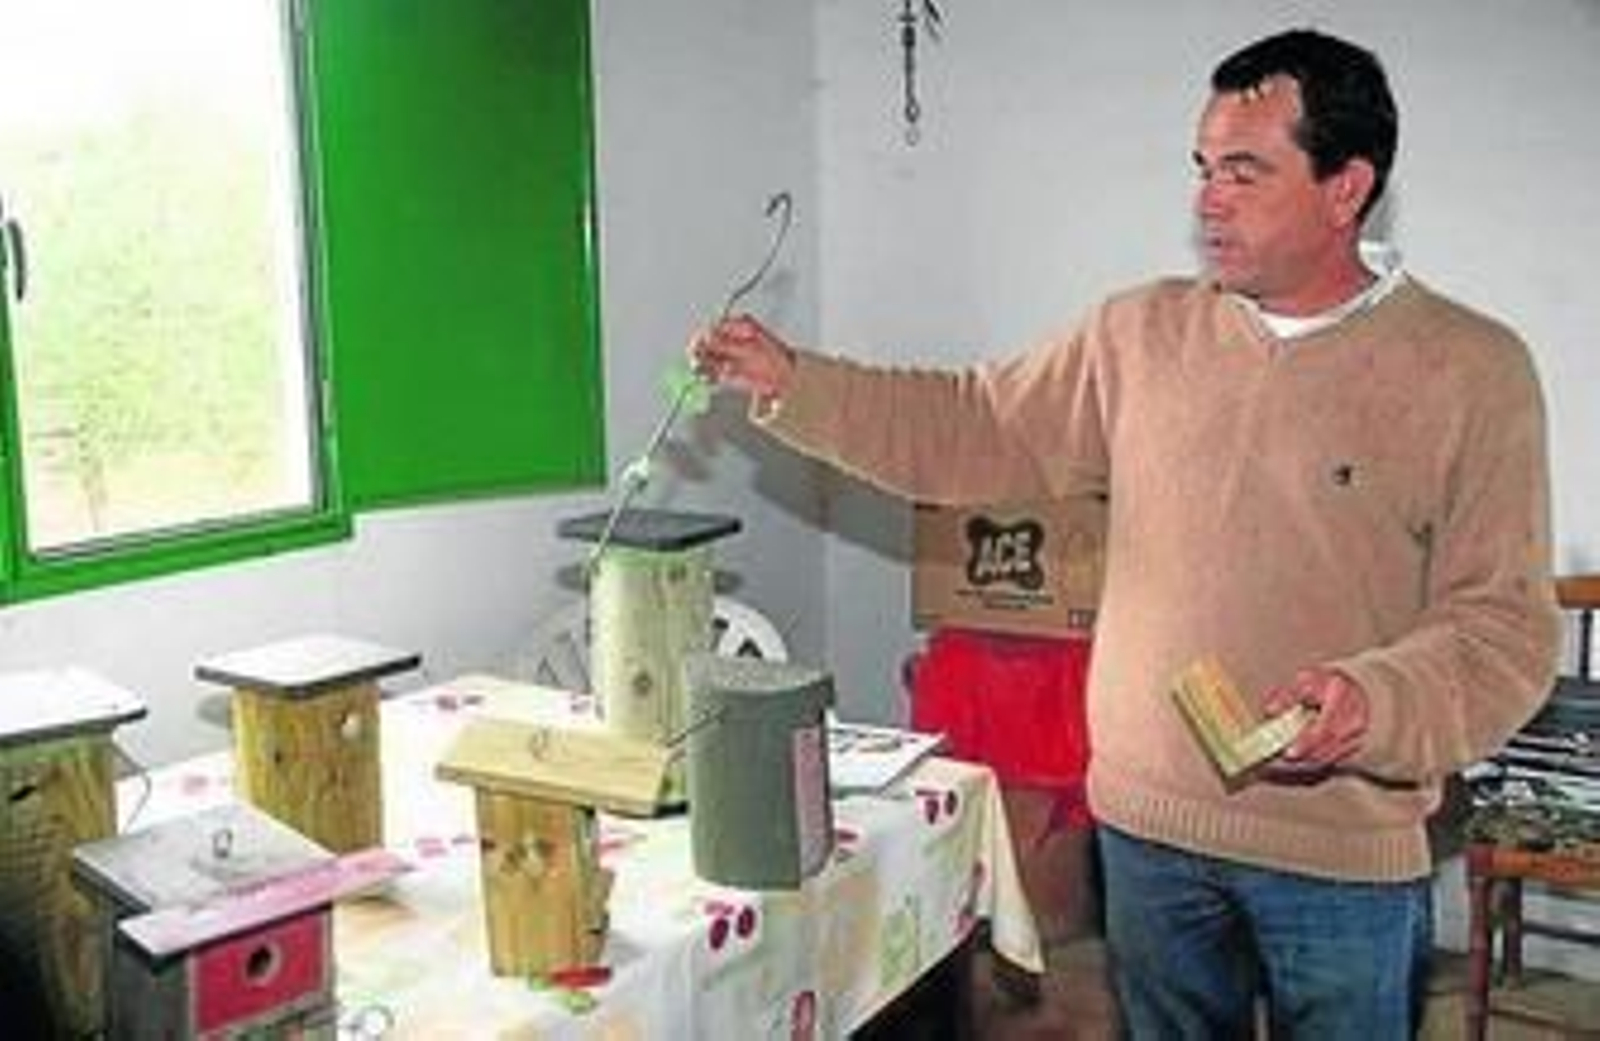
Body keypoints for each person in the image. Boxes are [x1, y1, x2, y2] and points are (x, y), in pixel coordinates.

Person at [691, 27, 1561, 1039]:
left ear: (1346, 188)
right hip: (1146, 836)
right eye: (1203, 167)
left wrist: (1376, 699)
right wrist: (797, 385)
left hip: (1341, 858)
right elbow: (973, 425)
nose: (1208, 199)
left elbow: (1503, 628)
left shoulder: (1471, 370)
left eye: (1244, 171)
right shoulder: (1138, 334)